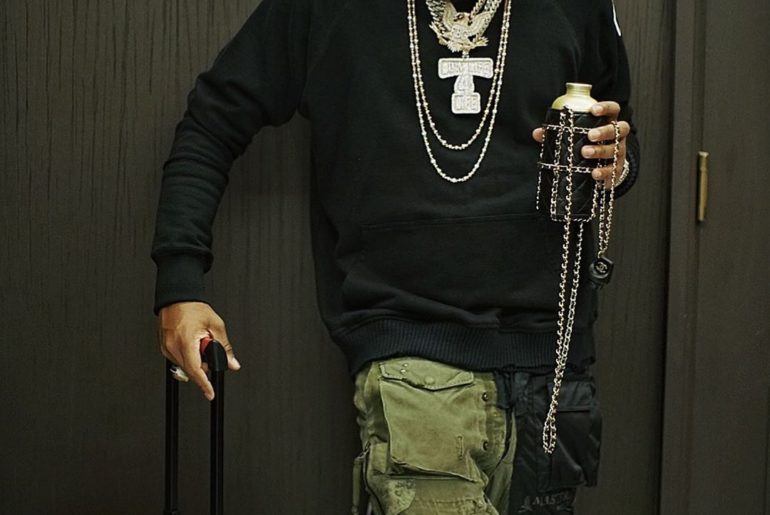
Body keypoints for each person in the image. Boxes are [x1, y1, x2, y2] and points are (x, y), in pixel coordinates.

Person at [151, 0, 640, 513]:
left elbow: (622, 138)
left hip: (557, 363)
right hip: (413, 351)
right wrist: (179, 286)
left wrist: (618, 164)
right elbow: (212, 122)